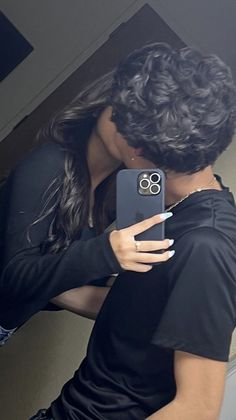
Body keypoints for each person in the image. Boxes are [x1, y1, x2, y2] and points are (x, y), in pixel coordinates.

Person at [31, 43, 236, 420]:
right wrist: (39, 279)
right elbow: (128, 312)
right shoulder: (148, 192)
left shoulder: (207, 247)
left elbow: (196, 409)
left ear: (137, 150)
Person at [0, 51, 176, 346]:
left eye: (150, 123)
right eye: (130, 107)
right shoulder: (51, 163)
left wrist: (134, 288)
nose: (134, 126)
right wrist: (105, 254)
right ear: (104, 102)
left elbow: (62, 276)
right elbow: (15, 276)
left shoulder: (103, 194)